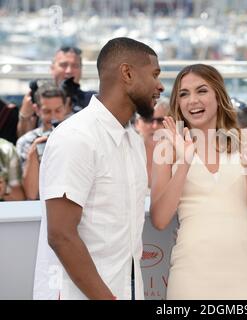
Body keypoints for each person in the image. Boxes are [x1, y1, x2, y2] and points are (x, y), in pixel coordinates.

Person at [35, 37, 164, 300]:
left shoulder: (133, 141)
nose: (160, 86)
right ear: (127, 73)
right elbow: (61, 235)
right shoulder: (76, 137)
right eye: (154, 74)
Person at [150, 64, 247, 299]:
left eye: (202, 91)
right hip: (191, 271)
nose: (192, 100)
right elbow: (160, 219)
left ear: (218, 94)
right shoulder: (166, 147)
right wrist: (184, 162)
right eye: (184, 94)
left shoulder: (245, 140)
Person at [17, 46, 95, 138]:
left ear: (81, 70)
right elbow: (24, 140)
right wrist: (24, 116)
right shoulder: (38, 98)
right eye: (63, 65)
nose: (69, 71)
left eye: (75, 66)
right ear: (52, 68)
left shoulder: (91, 101)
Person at [16, 82, 70, 200]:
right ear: (37, 109)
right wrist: (36, 149)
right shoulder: (26, 142)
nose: (53, 117)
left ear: (66, 107)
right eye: (47, 111)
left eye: (58, 110)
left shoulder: (78, 136)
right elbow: (30, 194)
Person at [134, 97, 169, 188]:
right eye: (148, 120)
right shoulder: (127, 157)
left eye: (160, 120)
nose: (154, 126)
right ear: (137, 124)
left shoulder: (181, 158)